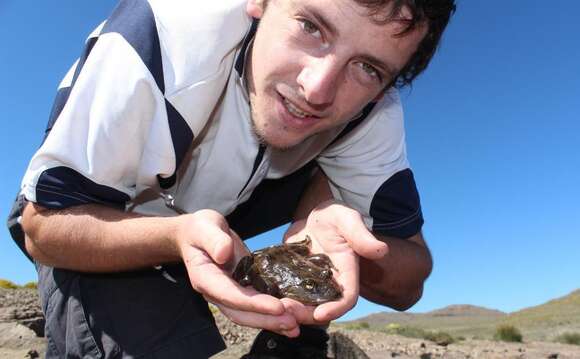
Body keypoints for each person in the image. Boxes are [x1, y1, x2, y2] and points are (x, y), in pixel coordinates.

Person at [7, 0, 456, 357]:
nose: (317, 90)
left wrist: (327, 222)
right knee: (153, 341)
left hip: (221, 216)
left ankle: (293, 340)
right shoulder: (160, 37)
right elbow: (42, 227)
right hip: (89, 208)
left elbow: (409, 280)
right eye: (311, 26)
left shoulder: (373, 110)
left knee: (335, 190)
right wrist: (175, 237)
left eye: (368, 68)